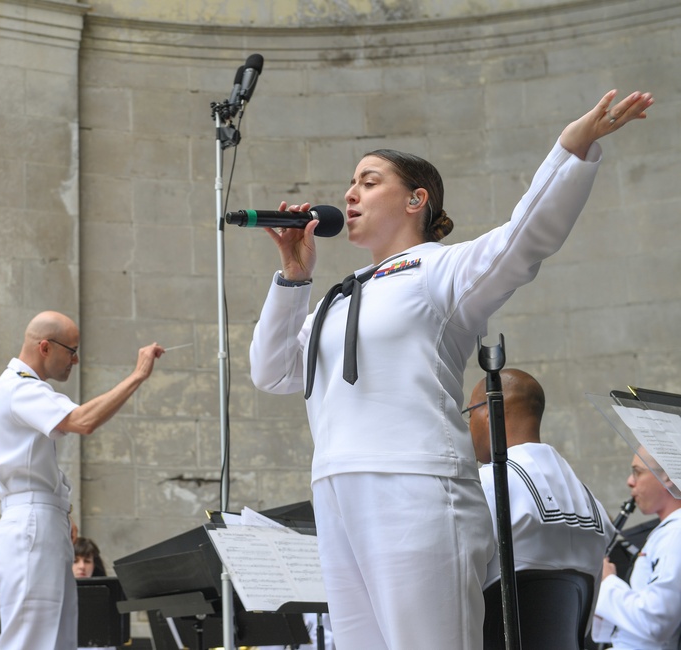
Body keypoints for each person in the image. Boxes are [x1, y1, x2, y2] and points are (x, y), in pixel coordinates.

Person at [247, 89, 654, 649]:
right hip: (336, 488)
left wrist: (572, 147)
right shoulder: (336, 300)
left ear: (417, 200)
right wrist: (294, 276)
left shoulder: (441, 269)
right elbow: (274, 372)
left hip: (415, 484)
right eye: (351, 183)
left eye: (369, 181)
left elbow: (526, 235)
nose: (350, 193)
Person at [0, 311, 164, 650]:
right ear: (45, 347)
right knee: (32, 640)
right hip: (31, 521)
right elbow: (83, 421)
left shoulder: (23, 387)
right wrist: (137, 375)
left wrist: (57, 511)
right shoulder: (19, 388)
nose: (76, 359)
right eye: (72, 350)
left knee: (57, 640)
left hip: (40, 517)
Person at [466, 368, 614, 593]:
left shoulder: (485, 487)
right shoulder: (595, 508)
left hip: (495, 628)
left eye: (469, 414)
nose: (468, 427)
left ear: (489, 411)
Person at [591, 449, 681, 649]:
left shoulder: (676, 532)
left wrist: (608, 582)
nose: (630, 481)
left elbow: (656, 623)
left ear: (667, 477)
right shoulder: (669, 530)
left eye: (637, 472)